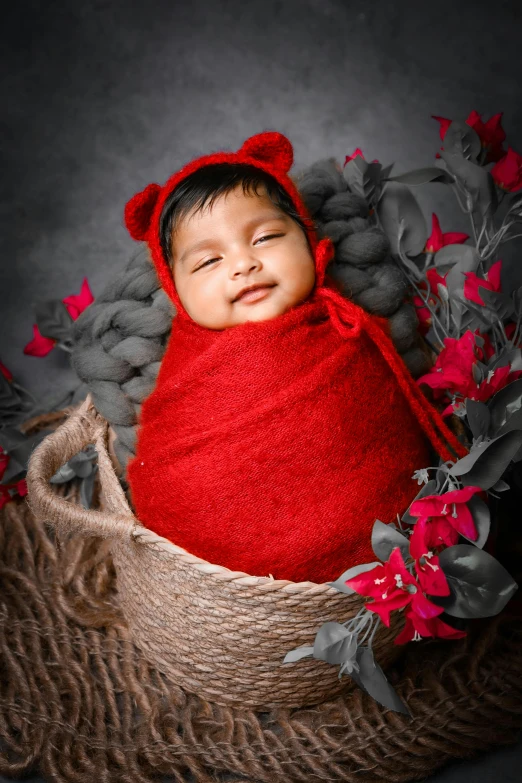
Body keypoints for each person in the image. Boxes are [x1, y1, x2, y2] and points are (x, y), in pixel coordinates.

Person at [125, 131, 467, 584]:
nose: (242, 264)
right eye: (208, 261)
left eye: (265, 236)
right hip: (226, 588)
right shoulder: (184, 373)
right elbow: (168, 472)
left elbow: (386, 441)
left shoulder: (348, 333)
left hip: (384, 559)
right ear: (176, 290)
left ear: (309, 242)